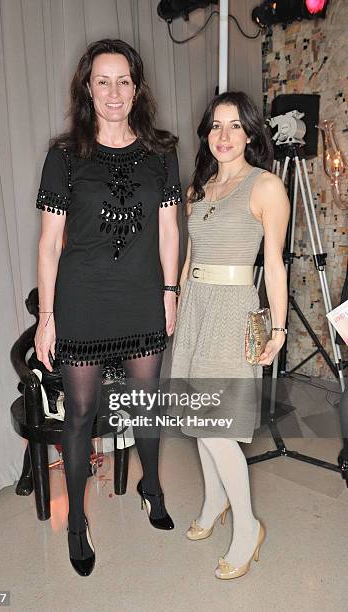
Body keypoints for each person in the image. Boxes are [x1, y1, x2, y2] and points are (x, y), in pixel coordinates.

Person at [34, 39, 182, 576]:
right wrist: (47, 319)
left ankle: (153, 486)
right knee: (79, 417)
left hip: (143, 298)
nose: (114, 92)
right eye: (103, 81)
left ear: (137, 88)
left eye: (124, 81)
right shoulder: (66, 156)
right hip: (84, 301)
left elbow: (170, 231)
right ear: (87, 88)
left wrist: (170, 294)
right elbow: (50, 244)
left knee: (146, 405)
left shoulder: (162, 152)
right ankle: (76, 521)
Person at [171, 91, 290, 579]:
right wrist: (175, 303)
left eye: (235, 126)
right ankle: (213, 502)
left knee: (217, 429)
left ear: (250, 132)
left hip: (233, 309)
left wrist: (279, 328)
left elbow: (276, 264)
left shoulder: (265, 187)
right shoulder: (198, 188)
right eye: (215, 126)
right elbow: (190, 258)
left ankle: (247, 526)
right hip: (197, 308)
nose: (223, 136)